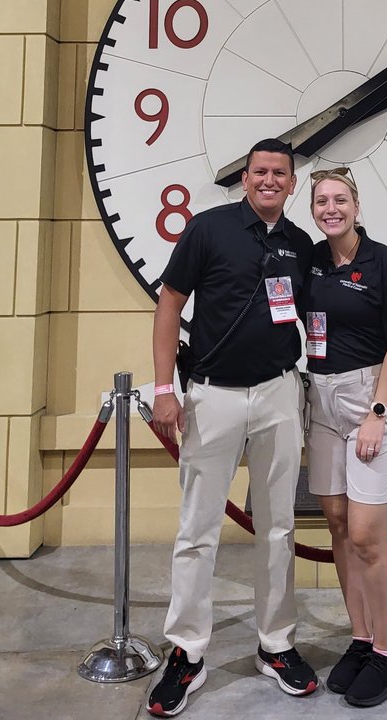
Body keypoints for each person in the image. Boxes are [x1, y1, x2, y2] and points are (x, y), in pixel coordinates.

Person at [147, 138, 317, 717]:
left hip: (277, 393)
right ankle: (188, 653)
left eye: (280, 174)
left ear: (293, 183)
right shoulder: (208, 229)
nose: (270, 180)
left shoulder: (299, 245)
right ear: (244, 178)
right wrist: (164, 388)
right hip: (211, 397)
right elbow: (169, 303)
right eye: (260, 172)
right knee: (197, 531)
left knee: (277, 528)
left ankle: (276, 644)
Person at [304, 166, 387, 707]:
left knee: (369, 534)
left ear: (356, 205)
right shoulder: (312, 263)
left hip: (371, 400)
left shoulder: (383, 263)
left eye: (339, 199)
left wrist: (377, 411)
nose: (331, 208)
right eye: (322, 200)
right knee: (340, 525)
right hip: (321, 400)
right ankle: (361, 638)